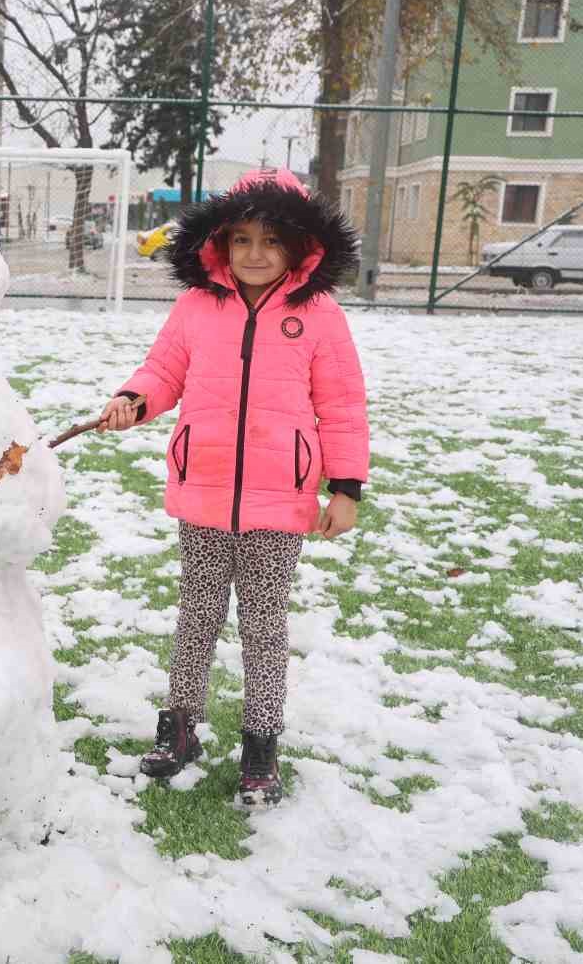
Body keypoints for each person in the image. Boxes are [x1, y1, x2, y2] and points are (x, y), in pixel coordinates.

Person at [98, 167, 369, 807]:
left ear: (302, 246)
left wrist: (347, 487)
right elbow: (164, 369)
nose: (254, 254)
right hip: (206, 488)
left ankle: (260, 745)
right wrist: (134, 399)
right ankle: (181, 727)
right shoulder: (197, 305)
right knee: (196, 615)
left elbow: (343, 405)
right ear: (219, 242)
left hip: (281, 499)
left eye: (271, 241)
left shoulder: (320, 315)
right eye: (241, 239)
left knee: (265, 626)